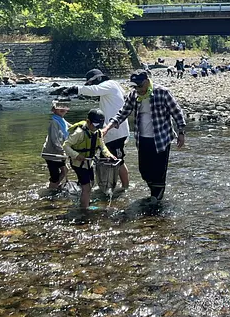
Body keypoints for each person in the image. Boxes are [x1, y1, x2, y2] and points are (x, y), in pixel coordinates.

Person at [104, 70, 186, 201]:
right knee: (144, 171)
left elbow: (176, 112)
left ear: (147, 82)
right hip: (142, 139)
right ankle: (154, 191)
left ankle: (156, 199)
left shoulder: (162, 92)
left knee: (159, 172)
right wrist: (107, 128)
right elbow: (123, 112)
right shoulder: (134, 95)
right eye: (135, 86)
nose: (138, 89)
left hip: (161, 139)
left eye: (140, 86)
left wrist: (181, 132)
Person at [77, 68, 130, 191]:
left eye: (92, 82)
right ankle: (107, 185)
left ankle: (125, 187)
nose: (92, 84)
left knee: (118, 160)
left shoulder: (108, 84)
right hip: (111, 132)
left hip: (116, 132)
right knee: (106, 159)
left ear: (99, 79)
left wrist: (76, 89)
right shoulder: (112, 86)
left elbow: (94, 90)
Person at [63, 108, 115, 211]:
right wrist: (76, 155)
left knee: (91, 183)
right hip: (78, 163)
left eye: (99, 126)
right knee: (86, 187)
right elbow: (66, 145)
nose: (96, 128)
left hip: (89, 162)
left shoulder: (98, 132)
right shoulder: (79, 133)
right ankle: (84, 209)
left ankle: (84, 200)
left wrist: (109, 155)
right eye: (95, 125)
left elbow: (102, 146)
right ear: (88, 121)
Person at [41, 100, 71, 190]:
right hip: (51, 154)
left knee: (65, 170)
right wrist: (63, 151)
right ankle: (52, 188)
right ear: (54, 110)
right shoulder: (54, 122)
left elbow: (70, 127)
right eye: (59, 108)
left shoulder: (61, 120)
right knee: (55, 176)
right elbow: (54, 140)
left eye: (64, 108)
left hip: (60, 153)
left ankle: (54, 186)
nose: (62, 109)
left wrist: (81, 126)